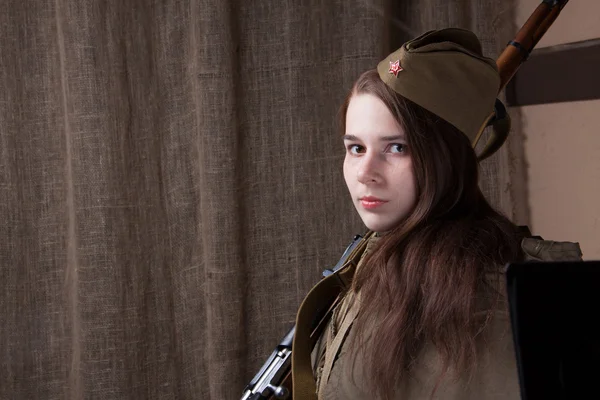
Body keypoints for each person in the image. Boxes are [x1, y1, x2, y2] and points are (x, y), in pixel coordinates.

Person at [298, 28, 583, 400]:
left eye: (397, 147)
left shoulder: (488, 295)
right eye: (355, 148)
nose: (365, 172)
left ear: (446, 159)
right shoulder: (373, 256)